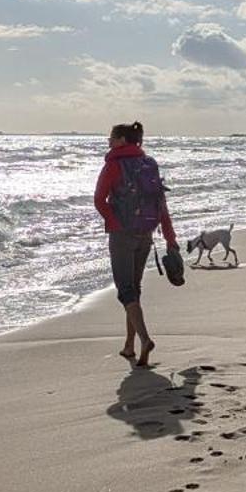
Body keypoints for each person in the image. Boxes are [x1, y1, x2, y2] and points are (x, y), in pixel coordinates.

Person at [94, 122, 179, 367]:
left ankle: (144, 339)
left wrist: (113, 221)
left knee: (126, 290)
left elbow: (99, 200)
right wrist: (170, 238)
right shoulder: (149, 164)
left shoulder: (113, 165)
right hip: (146, 232)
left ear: (121, 139)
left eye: (111, 136)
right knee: (135, 288)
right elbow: (160, 202)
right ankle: (129, 345)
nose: (108, 141)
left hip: (123, 235)